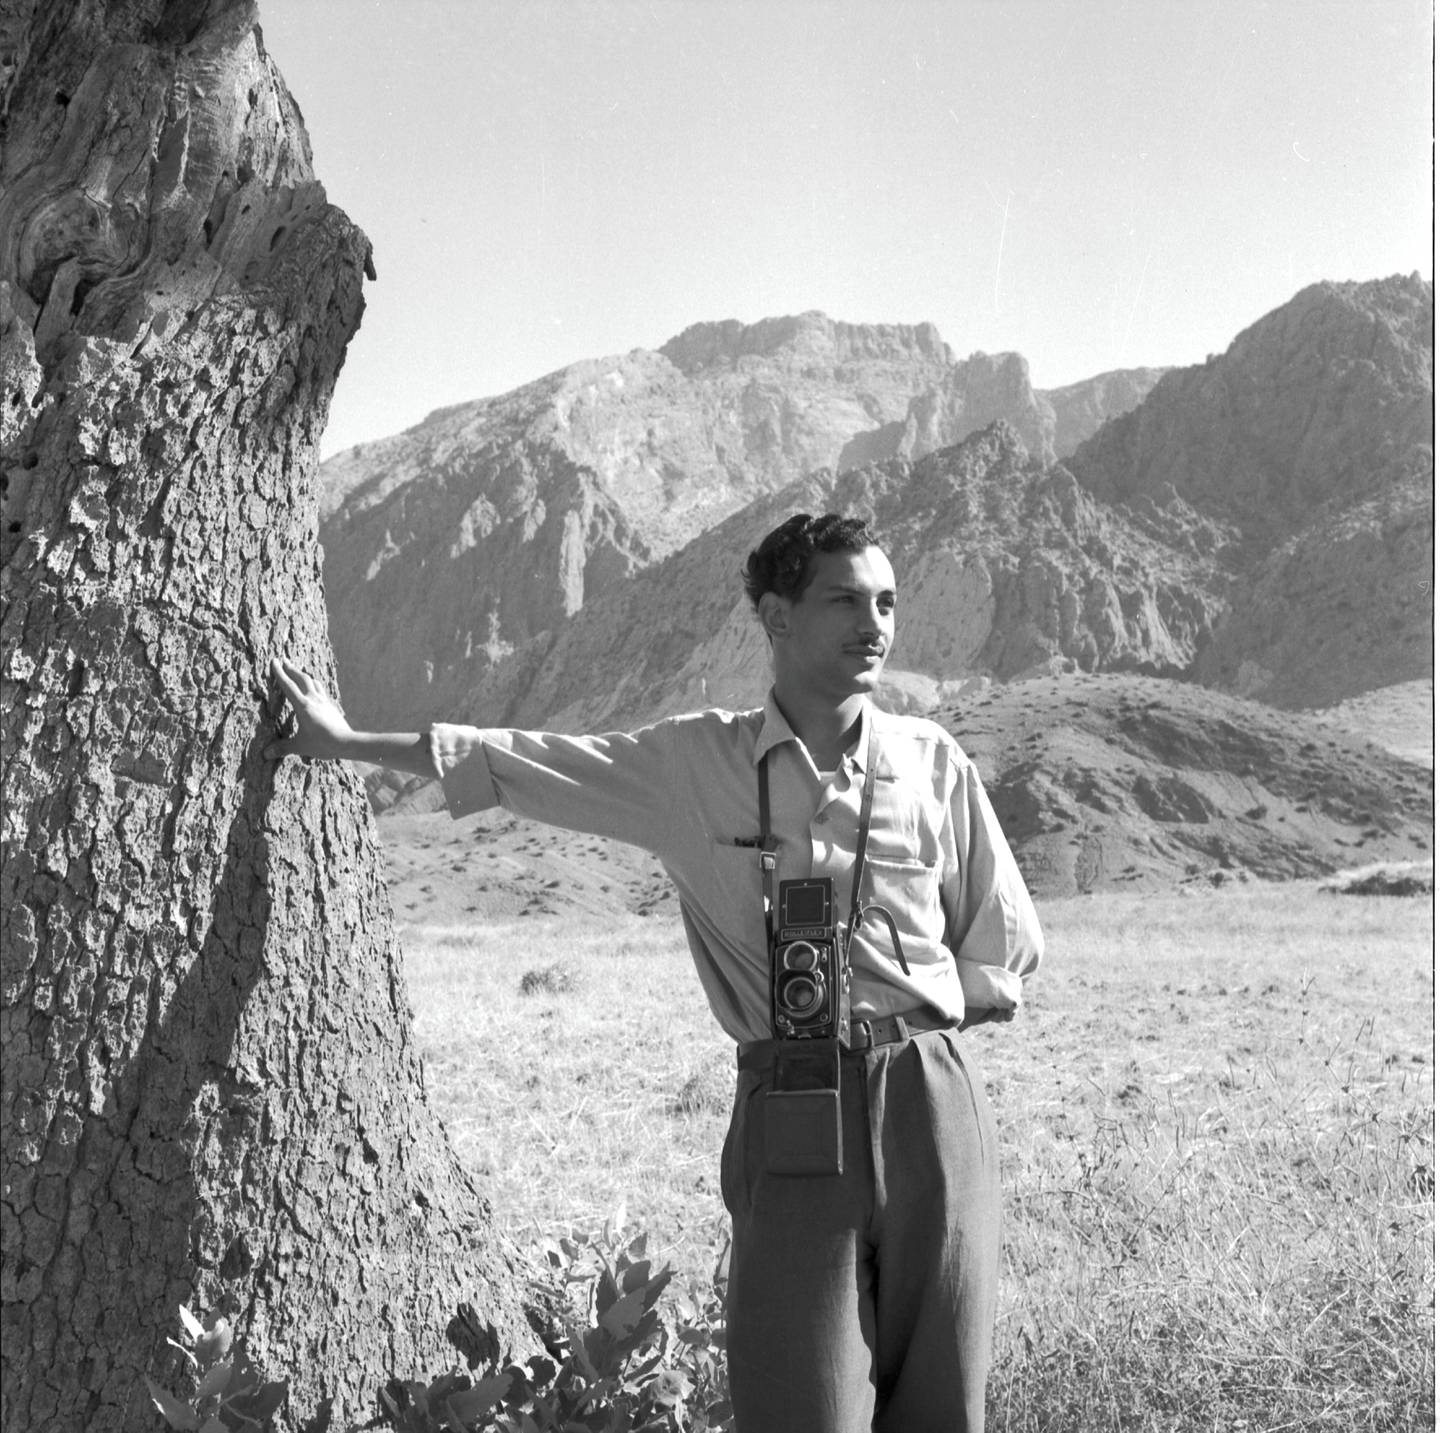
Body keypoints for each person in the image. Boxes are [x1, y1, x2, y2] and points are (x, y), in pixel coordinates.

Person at [267, 511, 1043, 1433]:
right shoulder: (691, 764)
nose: (873, 623)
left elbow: (1003, 948)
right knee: (802, 1403)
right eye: (844, 599)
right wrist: (346, 743)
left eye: (885, 602)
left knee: (944, 1403)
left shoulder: (933, 763)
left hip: (931, 1099)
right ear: (775, 616)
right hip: (788, 1100)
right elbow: (523, 763)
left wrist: (912, 1031)